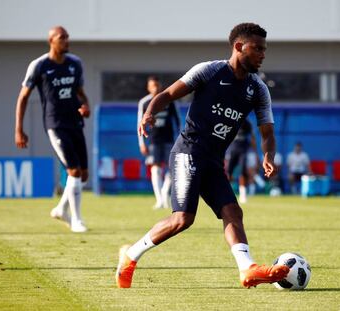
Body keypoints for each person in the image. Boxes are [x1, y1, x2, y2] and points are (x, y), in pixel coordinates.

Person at [115, 23, 289, 289]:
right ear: (239, 47)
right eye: (257, 49)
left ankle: (247, 269)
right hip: (188, 152)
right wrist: (150, 111)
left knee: (233, 211)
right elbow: (168, 94)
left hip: (213, 160)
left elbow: (267, 131)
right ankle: (130, 257)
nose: (263, 55)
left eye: (265, 49)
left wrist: (268, 155)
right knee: (183, 219)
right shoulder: (209, 70)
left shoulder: (258, 89)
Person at [15, 26, 90, 233]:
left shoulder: (75, 63)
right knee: (73, 171)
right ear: (51, 41)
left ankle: (60, 209)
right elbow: (23, 98)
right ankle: (76, 220)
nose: (66, 40)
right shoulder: (39, 65)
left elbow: (80, 93)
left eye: (67, 37)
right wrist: (18, 130)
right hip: (55, 125)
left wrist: (85, 106)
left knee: (83, 175)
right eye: (62, 37)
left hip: (75, 122)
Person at [137, 76, 180, 209]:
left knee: (172, 168)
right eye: (152, 86)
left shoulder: (169, 101)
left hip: (168, 140)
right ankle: (159, 199)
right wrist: (142, 143)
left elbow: (177, 121)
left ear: (160, 86)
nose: (155, 88)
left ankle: (164, 193)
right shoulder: (144, 102)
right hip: (153, 141)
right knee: (155, 168)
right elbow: (139, 123)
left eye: (157, 85)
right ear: (148, 88)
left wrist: (180, 139)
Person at [226, 118, 256, 203]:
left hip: (243, 151)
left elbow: (252, 138)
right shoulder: (232, 121)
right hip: (233, 150)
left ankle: (243, 195)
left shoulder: (247, 123)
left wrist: (255, 152)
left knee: (243, 171)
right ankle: (227, 194)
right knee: (228, 172)